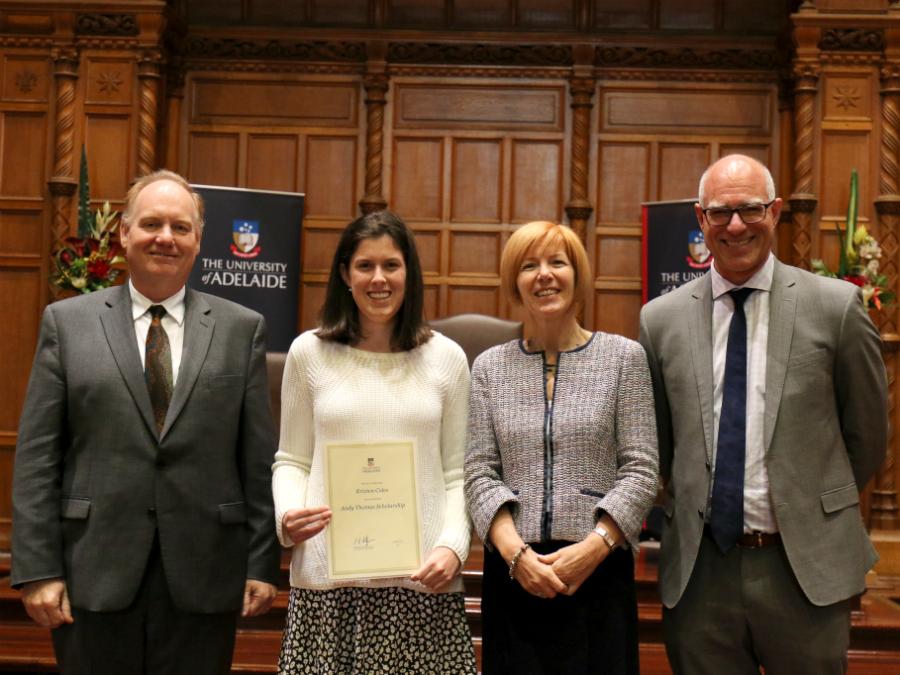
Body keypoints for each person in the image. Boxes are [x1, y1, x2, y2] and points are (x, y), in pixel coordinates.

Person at [11, 170, 281, 674]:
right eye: (152, 224)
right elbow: (37, 458)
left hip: (204, 574)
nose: (165, 238)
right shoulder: (67, 324)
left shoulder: (241, 329)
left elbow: (256, 458)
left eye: (181, 227)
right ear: (124, 233)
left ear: (199, 241)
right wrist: (38, 570)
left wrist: (262, 564)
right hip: (92, 571)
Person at [639, 154, 888, 674]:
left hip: (802, 569)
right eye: (720, 212)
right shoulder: (660, 320)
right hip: (702, 573)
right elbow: (658, 444)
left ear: (774, 212)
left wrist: (809, 501)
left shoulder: (836, 307)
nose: (735, 225)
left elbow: (866, 435)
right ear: (700, 217)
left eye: (750, 209)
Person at [272, 210, 476, 673]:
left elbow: (457, 472)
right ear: (345, 273)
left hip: (422, 582)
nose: (378, 279)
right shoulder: (309, 353)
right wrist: (288, 514)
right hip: (328, 586)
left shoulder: (446, 359)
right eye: (365, 266)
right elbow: (291, 459)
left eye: (391, 265)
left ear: (410, 273)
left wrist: (453, 546)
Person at [465, 220, 659, 674]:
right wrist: (516, 555)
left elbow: (642, 469)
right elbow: (478, 473)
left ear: (579, 276)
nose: (544, 275)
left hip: (599, 572)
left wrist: (593, 548)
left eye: (558, 262)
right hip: (515, 574)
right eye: (529, 265)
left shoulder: (623, 358)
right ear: (515, 282)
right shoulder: (490, 368)